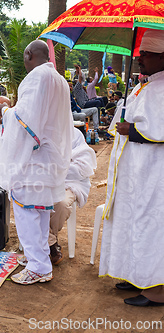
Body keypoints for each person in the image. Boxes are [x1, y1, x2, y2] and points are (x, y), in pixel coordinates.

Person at [0, 40, 73, 285]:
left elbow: (23, 120)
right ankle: (37, 258)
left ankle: (38, 267)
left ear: (29, 55)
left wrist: (5, 111)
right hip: (50, 158)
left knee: (28, 213)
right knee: (39, 212)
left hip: (33, 159)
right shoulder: (59, 79)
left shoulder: (36, 77)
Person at [99, 28, 164, 307]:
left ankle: (156, 289)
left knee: (149, 225)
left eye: (146, 54)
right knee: (129, 221)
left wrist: (132, 129)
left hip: (151, 173)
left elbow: (158, 129)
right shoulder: (145, 84)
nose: (140, 58)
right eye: (140, 53)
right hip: (132, 173)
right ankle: (135, 275)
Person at [48, 128, 96, 264]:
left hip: (70, 183)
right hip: (42, 181)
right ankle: (51, 244)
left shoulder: (75, 134)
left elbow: (82, 167)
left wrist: (56, 168)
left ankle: (48, 243)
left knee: (61, 204)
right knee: (29, 202)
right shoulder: (40, 129)